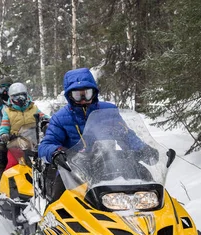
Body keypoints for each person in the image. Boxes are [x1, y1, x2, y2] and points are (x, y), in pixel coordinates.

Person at [38, 68, 157, 200]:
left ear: (94, 92)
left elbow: (125, 134)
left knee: (145, 188)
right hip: (74, 170)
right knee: (58, 201)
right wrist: (55, 153)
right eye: (78, 95)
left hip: (107, 164)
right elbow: (46, 144)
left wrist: (142, 149)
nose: (83, 99)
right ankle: (49, 218)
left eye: (87, 94)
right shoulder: (60, 118)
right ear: (69, 96)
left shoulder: (109, 110)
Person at [0, 82, 47, 190]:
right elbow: (4, 125)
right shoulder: (8, 112)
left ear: (26, 95)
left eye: (22, 96)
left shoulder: (33, 108)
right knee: (7, 159)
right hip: (15, 141)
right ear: (11, 98)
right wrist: (3, 134)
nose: (20, 99)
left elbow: (45, 117)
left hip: (34, 140)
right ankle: (3, 186)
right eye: (16, 97)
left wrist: (50, 122)